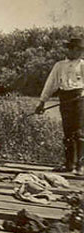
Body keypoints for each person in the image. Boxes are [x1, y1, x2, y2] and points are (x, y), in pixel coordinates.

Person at [35, 37, 84, 174]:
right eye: (76, 49)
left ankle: (81, 166)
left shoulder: (83, 65)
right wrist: (42, 102)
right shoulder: (59, 65)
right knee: (67, 132)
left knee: (80, 132)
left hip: (80, 99)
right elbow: (50, 84)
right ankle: (69, 164)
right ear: (70, 49)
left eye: (81, 50)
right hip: (65, 98)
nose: (79, 52)